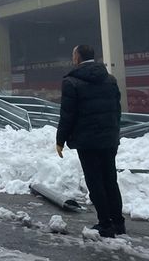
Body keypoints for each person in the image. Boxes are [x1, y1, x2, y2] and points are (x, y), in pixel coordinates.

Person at [55, 44, 125, 238]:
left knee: (95, 182)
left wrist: (60, 140)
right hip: (109, 139)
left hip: (87, 141)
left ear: (77, 57)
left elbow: (67, 115)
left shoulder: (71, 82)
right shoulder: (110, 79)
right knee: (110, 180)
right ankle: (118, 223)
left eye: (72, 54)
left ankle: (105, 224)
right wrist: (113, 132)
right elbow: (117, 110)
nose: (72, 58)